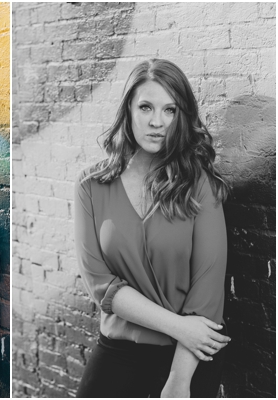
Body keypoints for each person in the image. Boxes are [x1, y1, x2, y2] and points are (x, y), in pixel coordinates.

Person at [74, 59, 232, 398]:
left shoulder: (200, 185)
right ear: (128, 109)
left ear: (182, 116)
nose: (157, 122)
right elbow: (101, 285)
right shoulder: (91, 185)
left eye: (170, 110)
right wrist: (177, 326)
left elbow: (208, 292)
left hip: (186, 357)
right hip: (118, 350)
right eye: (146, 107)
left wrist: (178, 381)